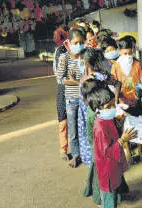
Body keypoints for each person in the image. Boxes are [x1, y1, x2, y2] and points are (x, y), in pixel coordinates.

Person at [83, 81, 136, 208]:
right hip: (107, 168)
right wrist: (122, 140)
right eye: (109, 106)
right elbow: (106, 151)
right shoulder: (99, 126)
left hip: (114, 165)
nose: (113, 108)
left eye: (113, 104)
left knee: (114, 192)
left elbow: (113, 137)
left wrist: (120, 124)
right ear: (97, 110)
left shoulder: (107, 120)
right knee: (108, 196)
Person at [111, 36, 142, 163]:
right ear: (119, 52)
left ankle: (141, 151)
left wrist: (140, 94)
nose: (128, 56)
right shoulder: (116, 66)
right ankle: (128, 154)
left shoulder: (137, 64)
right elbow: (114, 86)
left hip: (135, 102)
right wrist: (117, 101)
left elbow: (141, 81)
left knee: (139, 127)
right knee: (126, 129)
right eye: (125, 53)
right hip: (123, 104)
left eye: (130, 53)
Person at [56, 27, 85, 168]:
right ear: (69, 43)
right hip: (72, 99)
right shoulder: (64, 58)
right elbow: (61, 79)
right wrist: (78, 82)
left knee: (85, 127)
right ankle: (75, 155)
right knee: (73, 129)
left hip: (86, 98)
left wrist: (75, 80)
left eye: (81, 42)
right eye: (75, 42)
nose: (78, 45)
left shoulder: (85, 56)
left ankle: (86, 154)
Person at [53, 31, 70, 161]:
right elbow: (60, 74)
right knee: (63, 120)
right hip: (63, 88)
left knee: (74, 120)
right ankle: (63, 148)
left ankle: (73, 150)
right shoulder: (61, 50)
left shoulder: (74, 48)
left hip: (74, 88)